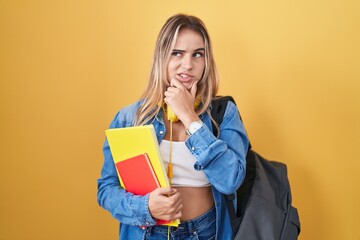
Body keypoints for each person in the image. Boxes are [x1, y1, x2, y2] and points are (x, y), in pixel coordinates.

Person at [97, 13, 249, 240]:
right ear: (162, 57)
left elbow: (230, 181)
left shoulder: (224, 113)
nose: (187, 65)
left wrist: (189, 117)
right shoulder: (129, 118)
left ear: (206, 61)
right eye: (177, 53)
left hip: (206, 232)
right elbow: (106, 190)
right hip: (149, 233)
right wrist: (145, 207)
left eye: (197, 54)